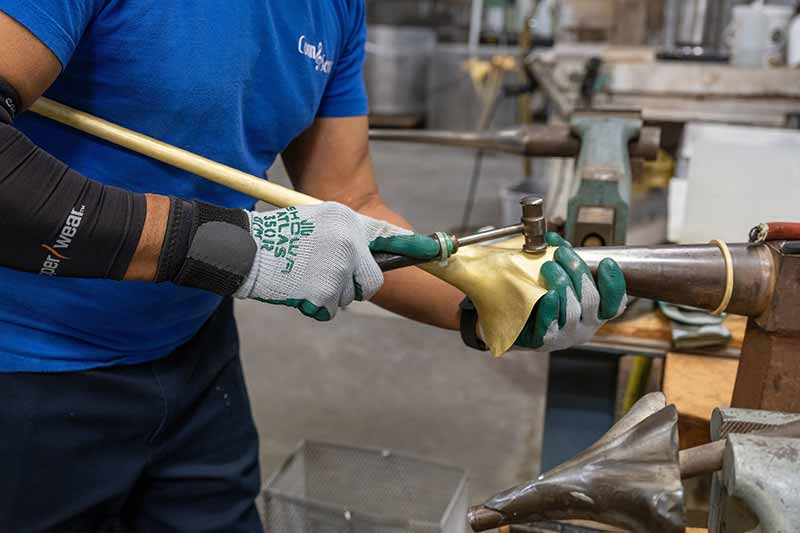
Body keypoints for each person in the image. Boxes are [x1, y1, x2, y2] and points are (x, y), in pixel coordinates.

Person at [0, 1, 627, 531]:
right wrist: (236, 248)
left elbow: (350, 201)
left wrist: (488, 300)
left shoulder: (334, 7)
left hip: (193, 353)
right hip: (29, 370)